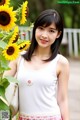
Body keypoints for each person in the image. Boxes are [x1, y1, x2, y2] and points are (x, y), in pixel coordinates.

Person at [4, 9, 70, 120]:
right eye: (41, 28)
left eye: (51, 31)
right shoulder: (18, 58)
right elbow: (3, 92)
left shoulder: (61, 63)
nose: (44, 35)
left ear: (58, 34)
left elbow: (63, 100)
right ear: (35, 29)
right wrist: (3, 117)